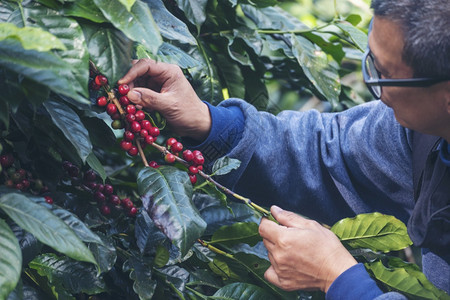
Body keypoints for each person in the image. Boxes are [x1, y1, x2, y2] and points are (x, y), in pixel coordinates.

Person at [118, 0, 450, 298]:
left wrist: (341, 280)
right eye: (371, 61)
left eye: (385, 74)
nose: (373, 84)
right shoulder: (420, 130)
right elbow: (329, 154)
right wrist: (208, 122)